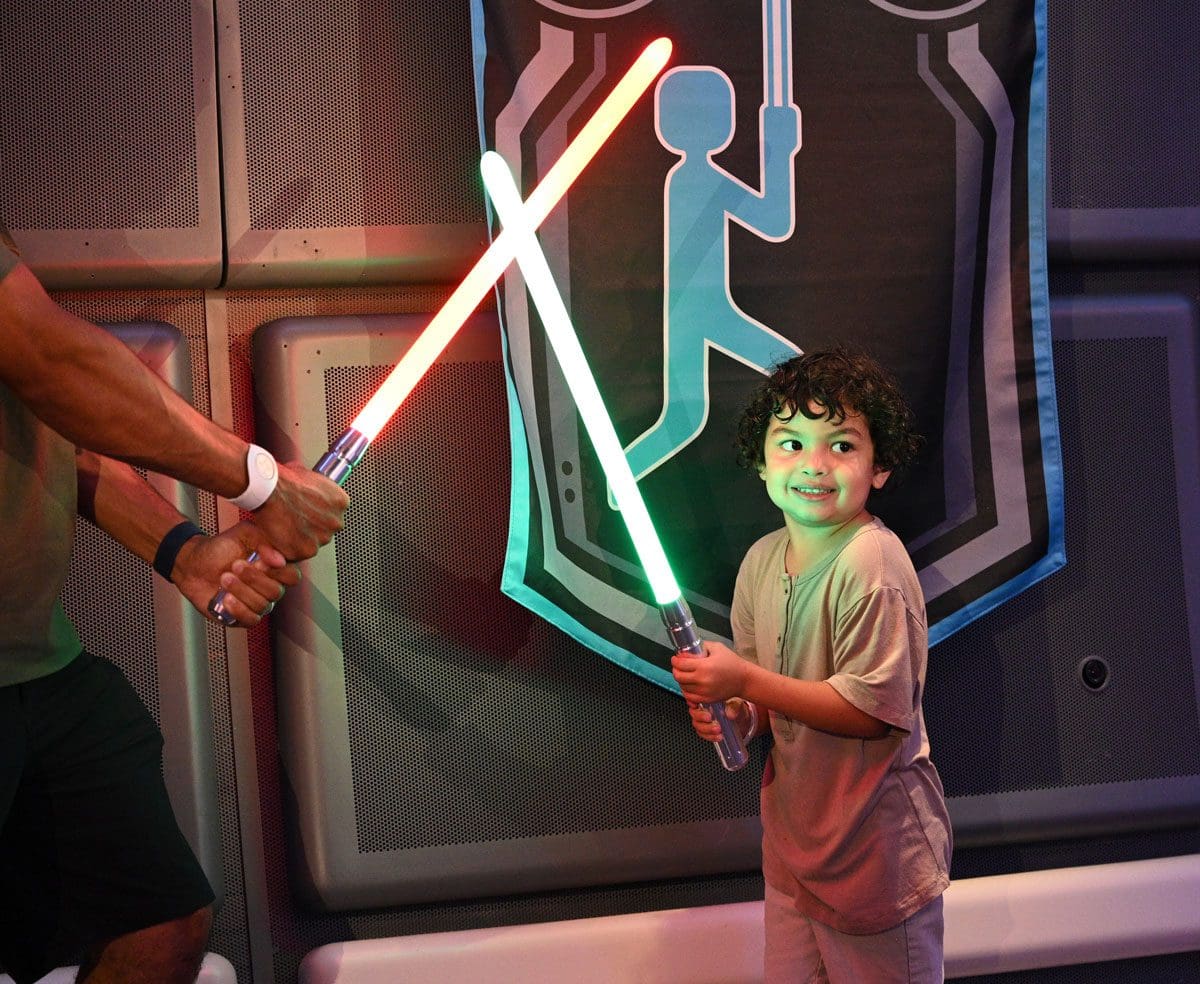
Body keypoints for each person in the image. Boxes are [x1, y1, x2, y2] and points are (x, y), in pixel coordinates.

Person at [0, 224, 349, 984]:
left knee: (160, 925)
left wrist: (183, 549)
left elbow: (50, 412)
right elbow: (45, 356)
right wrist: (261, 481)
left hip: (40, 669)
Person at [671, 348, 952, 983]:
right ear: (761, 464)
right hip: (795, 856)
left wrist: (743, 681)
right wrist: (738, 715)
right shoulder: (761, 562)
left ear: (879, 467)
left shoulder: (871, 564)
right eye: (791, 442)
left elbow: (870, 714)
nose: (814, 465)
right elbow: (770, 706)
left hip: (876, 860)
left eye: (842, 446)